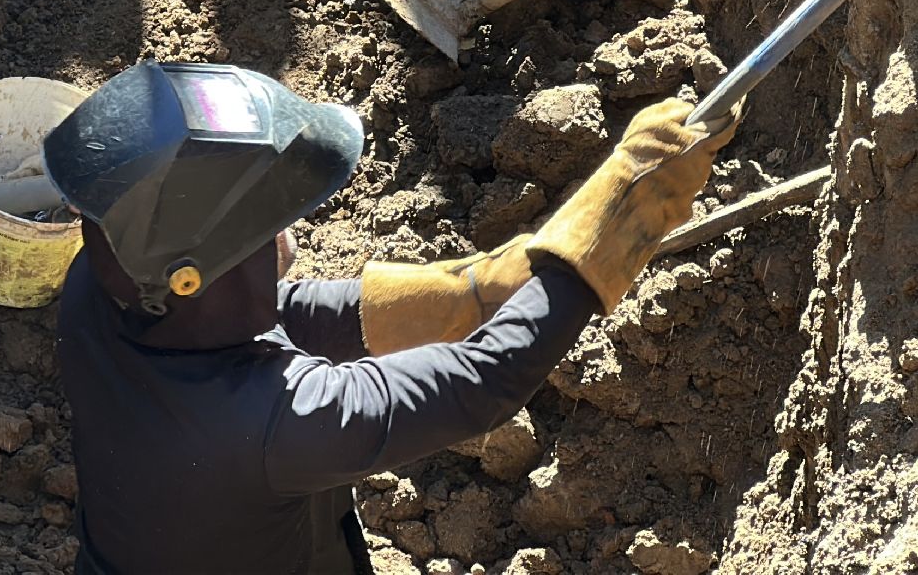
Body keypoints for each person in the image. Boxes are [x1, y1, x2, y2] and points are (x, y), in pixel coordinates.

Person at [47, 61, 736, 574]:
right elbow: (480, 384)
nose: (291, 231)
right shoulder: (272, 426)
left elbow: (277, 315)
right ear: (195, 276)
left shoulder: (105, 288)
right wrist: (612, 224)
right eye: (267, 228)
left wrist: (468, 290)